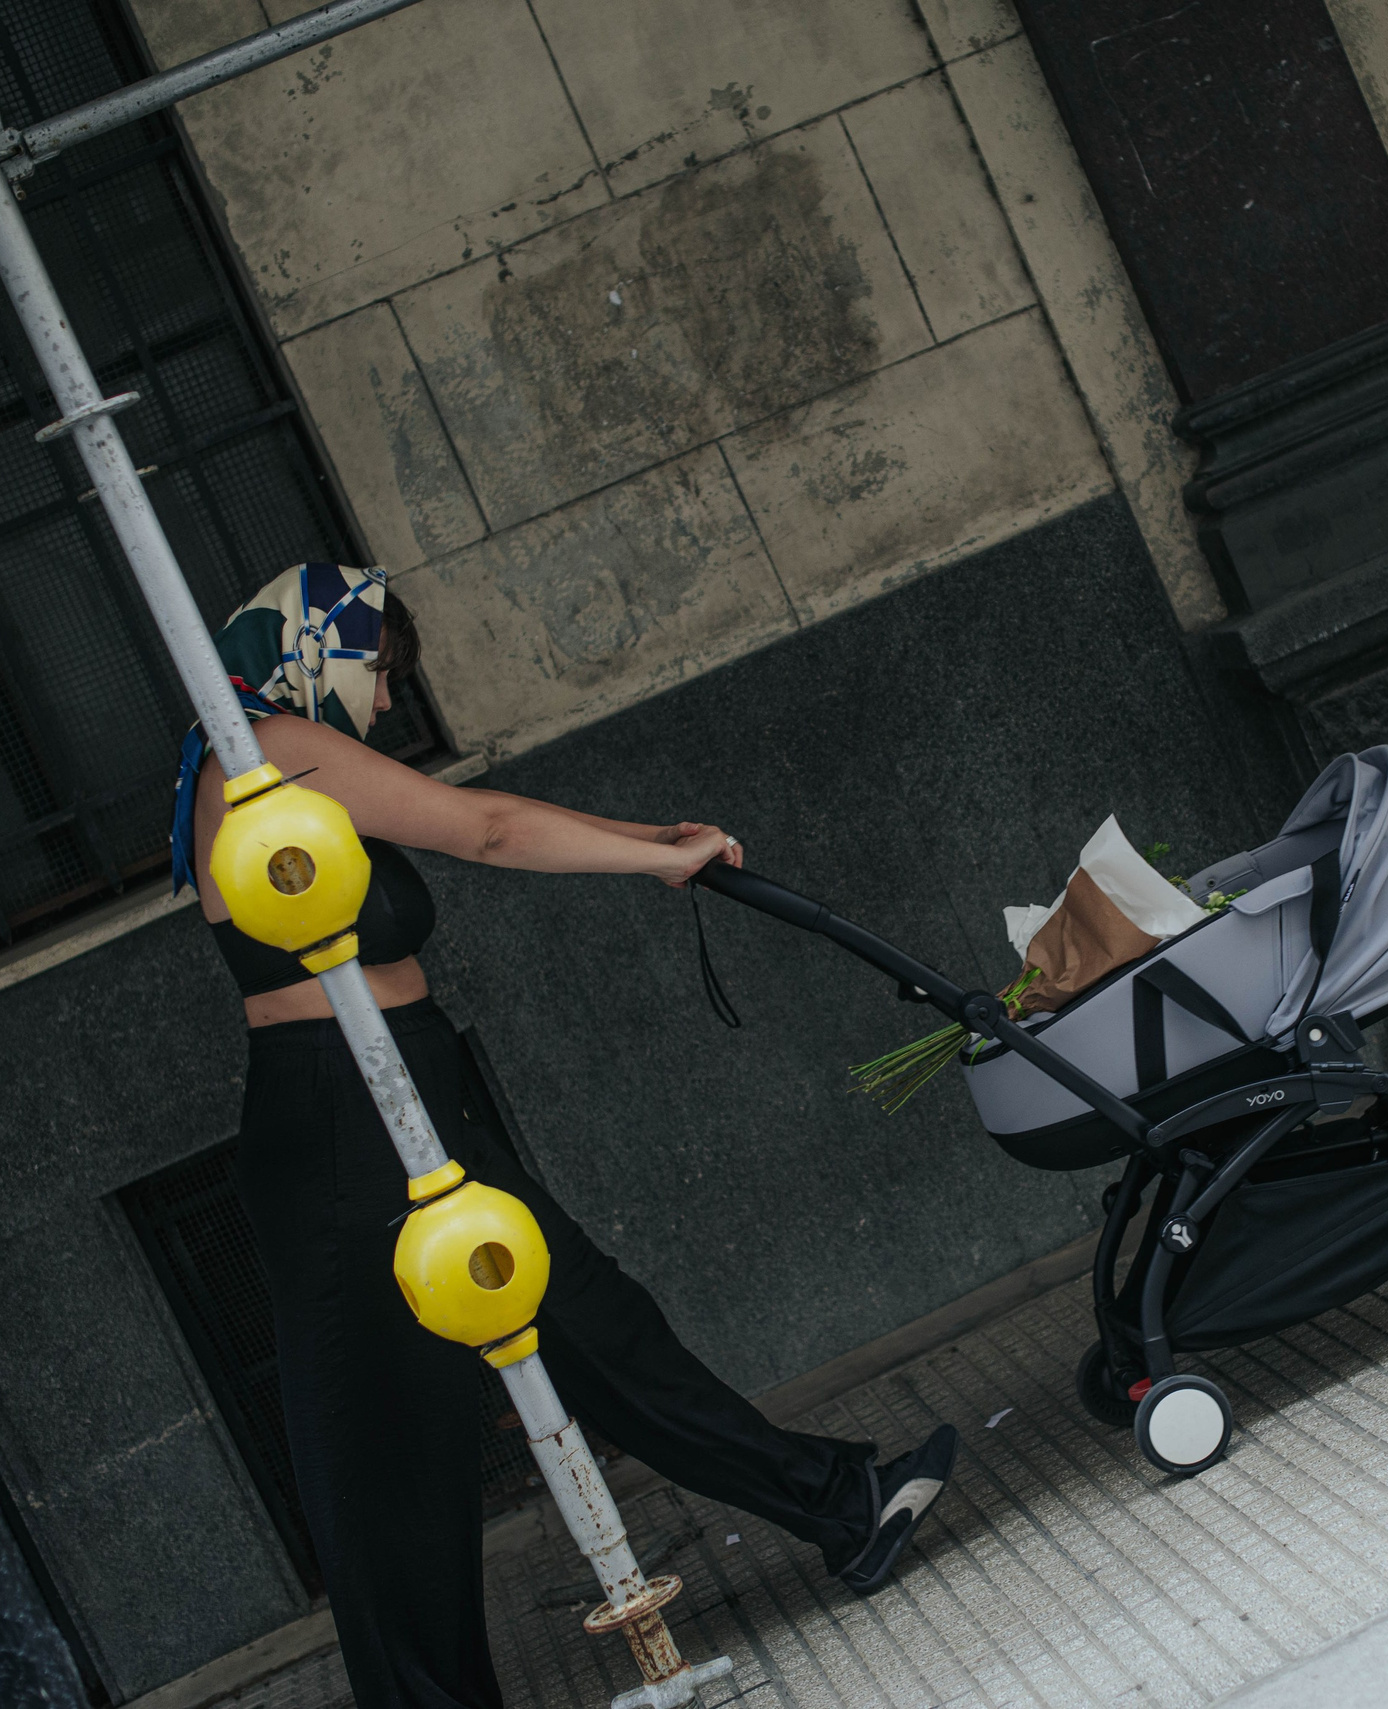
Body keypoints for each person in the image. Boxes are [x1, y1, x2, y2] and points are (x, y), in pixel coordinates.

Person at [172, 564, 956, 1709]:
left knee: (586, 1318)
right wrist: (651, 860)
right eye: (380, 676)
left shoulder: (271, 747)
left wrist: (655, 835)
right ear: (315, 647)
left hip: (403, 1086)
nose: (386, 706)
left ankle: (840, 1502)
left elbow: (480, 820)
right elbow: (483, 829)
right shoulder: (264, 747)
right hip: (342, 1110)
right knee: (391, 1432)